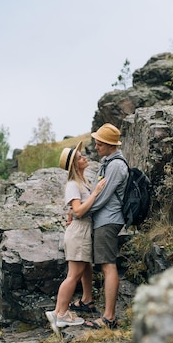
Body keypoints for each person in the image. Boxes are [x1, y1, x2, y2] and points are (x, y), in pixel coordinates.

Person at [45, 141, 106, 335]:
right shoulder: (73, 185)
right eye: (80, 157)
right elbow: (78, 210)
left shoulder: (81, 182)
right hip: (79, 232)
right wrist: (96, 193)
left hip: (82, 231)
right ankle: (61, 313)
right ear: (74, 165)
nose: (85, 157)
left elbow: (75, 209)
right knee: (74, 274)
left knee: (83, 269)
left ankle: (65, 309)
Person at [73, 123, 128, 330]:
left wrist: (80, 212)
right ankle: (101, 311)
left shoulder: (115, 166)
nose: (95, 147)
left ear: (109, 145)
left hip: (108, 220)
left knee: (108, 265)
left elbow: (102, 197)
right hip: (103, 221)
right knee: (105, 265)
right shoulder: (108, 162)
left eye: (99, 144)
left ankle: (109, 317)